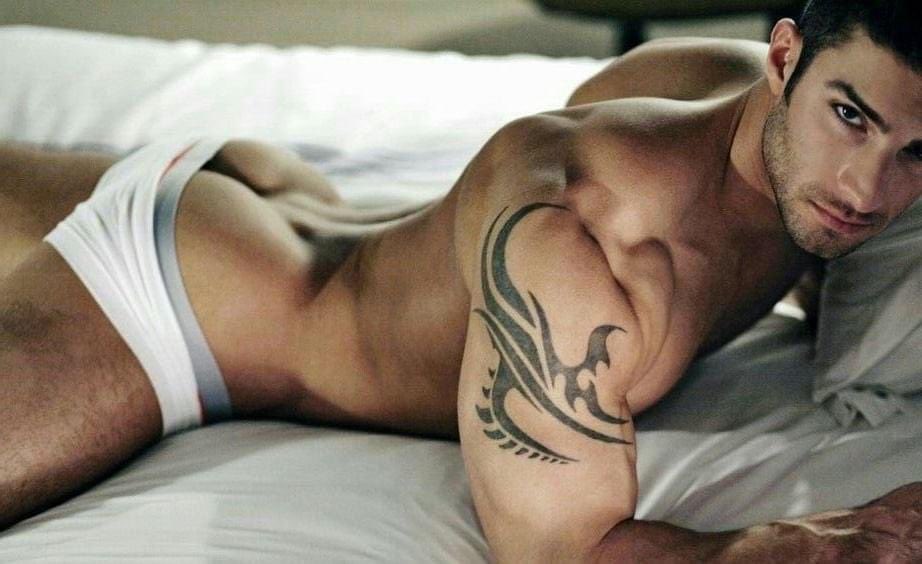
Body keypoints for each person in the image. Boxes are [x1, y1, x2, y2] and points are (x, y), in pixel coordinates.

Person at [1, 0, 920, 560]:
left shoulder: (736, 101)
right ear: (785, 59)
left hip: (284, 202)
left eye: (916, 152)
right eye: (850, 116)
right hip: (180, 304)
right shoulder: (581, 248)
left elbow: (589, 109)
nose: (866, 190)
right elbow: (561, 553)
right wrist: (799, 551)